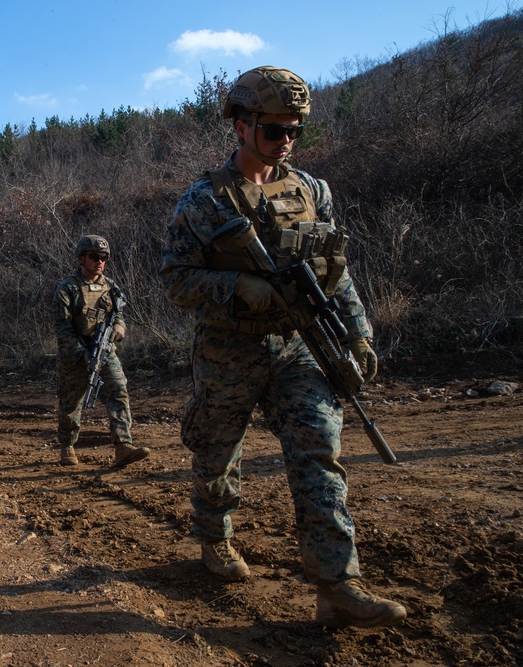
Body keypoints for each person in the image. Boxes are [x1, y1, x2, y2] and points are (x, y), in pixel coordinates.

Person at [159, 66, 406, 628]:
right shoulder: (203, 202)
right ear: (242, 128)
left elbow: (335, 274)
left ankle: (338, 584)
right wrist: (236, 288)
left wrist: (358, 331)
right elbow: (175, 280)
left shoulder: (312, 191)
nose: (285, 140)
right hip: (229, 349)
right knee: (217, 450)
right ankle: (215, 536)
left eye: (294, 129)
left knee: (320, 451)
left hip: (299, 347)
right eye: (273, 129)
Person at [53, 234, 149, 468]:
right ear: (81, 258)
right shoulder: (69, 288)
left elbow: (119, 314)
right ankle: (67, 445)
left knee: (118, 389)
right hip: (75, 353)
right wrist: (82, 352)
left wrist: (119, 327)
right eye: (94, 257)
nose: (100, 261)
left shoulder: (111, 286)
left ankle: (123, 446)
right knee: (71, 402)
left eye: (104, 257)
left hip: (105, 349)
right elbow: (62, 328)